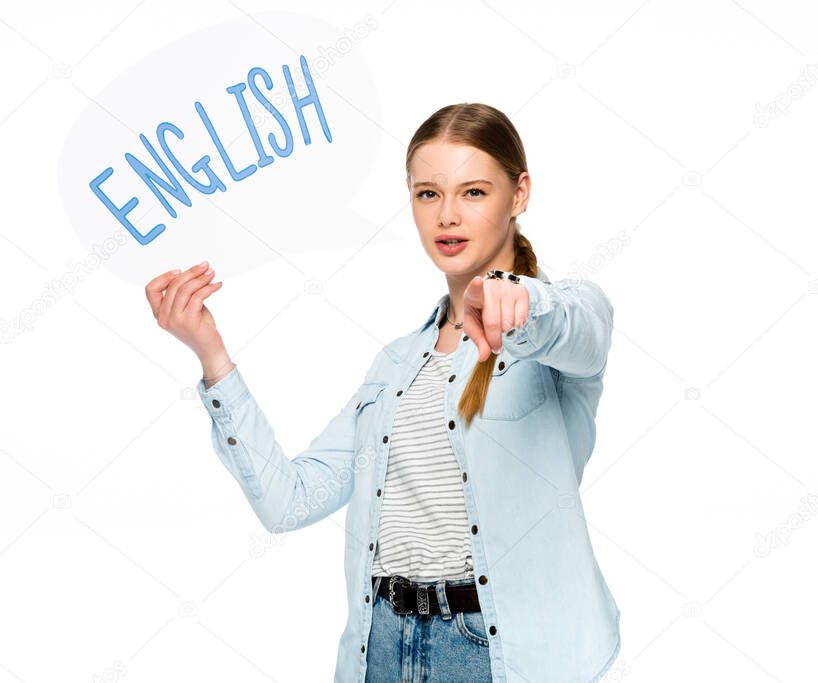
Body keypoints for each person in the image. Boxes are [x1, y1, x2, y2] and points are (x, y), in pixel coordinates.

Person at [145, 103, 620, 682]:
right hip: (384, 648)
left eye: (473, 192)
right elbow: (288, 500)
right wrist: (211, 356)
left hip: (491, 655)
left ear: (519, 194)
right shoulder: (394, 366)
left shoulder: (558, 319)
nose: (448, 215)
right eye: (428, 194)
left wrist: (514, 296)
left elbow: (577, 331)